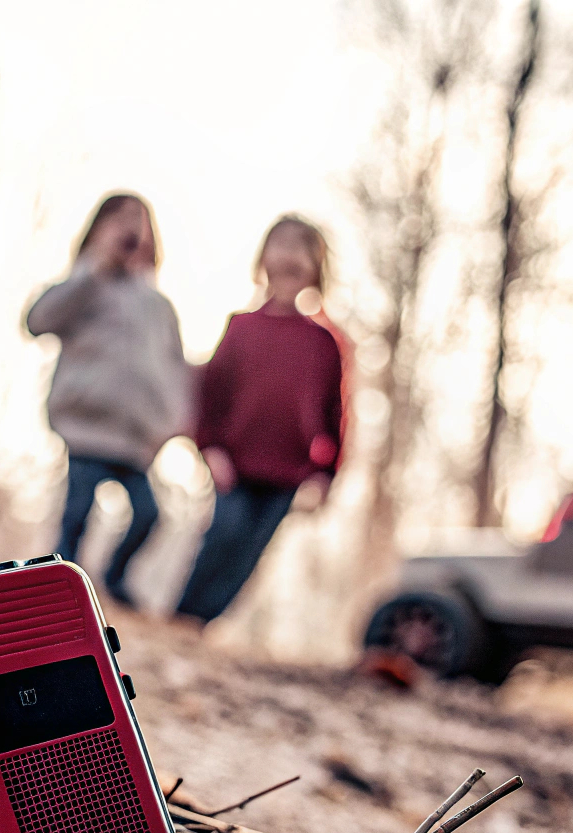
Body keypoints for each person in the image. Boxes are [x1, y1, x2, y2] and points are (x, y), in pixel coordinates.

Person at [176, 215, 347, 623]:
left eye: (302, 251)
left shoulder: (324, 343)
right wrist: (210, 448)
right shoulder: (241, 327)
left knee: (250, 553)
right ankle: (180, 617)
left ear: (317, 268)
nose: (290, 258)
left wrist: (326, 474)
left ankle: (204, 625)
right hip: (234, 463)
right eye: (281, 246)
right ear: (264, 259)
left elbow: (335, 415)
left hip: (288, 473)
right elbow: (211, 395)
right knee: (223, 535)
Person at [26, 193, 191, 605]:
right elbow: (37, 321)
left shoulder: (158, 306)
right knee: (77, 514)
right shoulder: (85, 286)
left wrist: (172, 423)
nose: (130, 228)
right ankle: (59, 583)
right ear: (96, 230)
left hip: (137, 439)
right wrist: (93, 270)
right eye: (118, 219)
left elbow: (175, 368)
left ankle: (114, 579)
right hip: (87, 429)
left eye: (140, 220)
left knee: (149, 513)